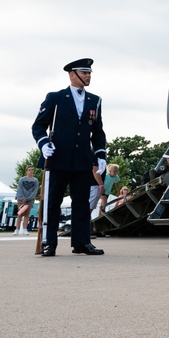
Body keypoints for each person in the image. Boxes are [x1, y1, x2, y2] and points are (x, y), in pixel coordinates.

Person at [30, 58, 108, 256]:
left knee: (81, 203)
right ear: (72, 74)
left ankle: (81, 242)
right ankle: (49, 242)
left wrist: (100, 153)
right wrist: (43, 143)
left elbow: (97, 132)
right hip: (57, 158)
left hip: (82, 160)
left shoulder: (95, 100)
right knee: (53, 202)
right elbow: (38, 125)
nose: (88, 75)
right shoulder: (55, 98)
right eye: (84, 72)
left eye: (90, 72)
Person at [14, 166, 39, 235]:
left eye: (32, 170)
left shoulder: (35, 180)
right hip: (21, 199)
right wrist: (22, 198)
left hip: (30, 199)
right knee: (20, 213)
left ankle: (25, 229)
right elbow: (20, 189)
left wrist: (29, 198)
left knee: (27, 214)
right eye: (29, 170)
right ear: (26, 171)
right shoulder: (22, 179)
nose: (31, 171)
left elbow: (35, 190)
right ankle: (17, 229)